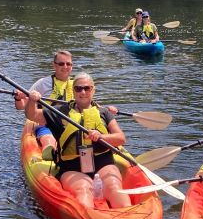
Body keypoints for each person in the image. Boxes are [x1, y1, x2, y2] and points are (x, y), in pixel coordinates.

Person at [24, 73, 130, 209]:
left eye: (87, 88)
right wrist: (32, 101)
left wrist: (101, 136)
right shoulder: (60, 112)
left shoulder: (103, 112)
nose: (83, 92)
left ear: (93, 90)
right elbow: (31, 115)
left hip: (103, 162)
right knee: (84, 189)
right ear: (73, 91)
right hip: (72, 167)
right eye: (78, 88)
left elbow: (121, 138)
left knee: (114, 187)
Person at [14, 50, 76, 155]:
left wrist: (106, 110)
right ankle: (50, 153)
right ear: (54, 65)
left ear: (71, 66)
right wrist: (18, 98)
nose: (65, 66)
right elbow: (21, 106)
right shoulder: (42, 83)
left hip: (70, 125)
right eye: (61, 63)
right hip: (47, 124)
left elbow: (88, 105)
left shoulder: (77, 85)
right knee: (49, 140)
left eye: (68, 64)